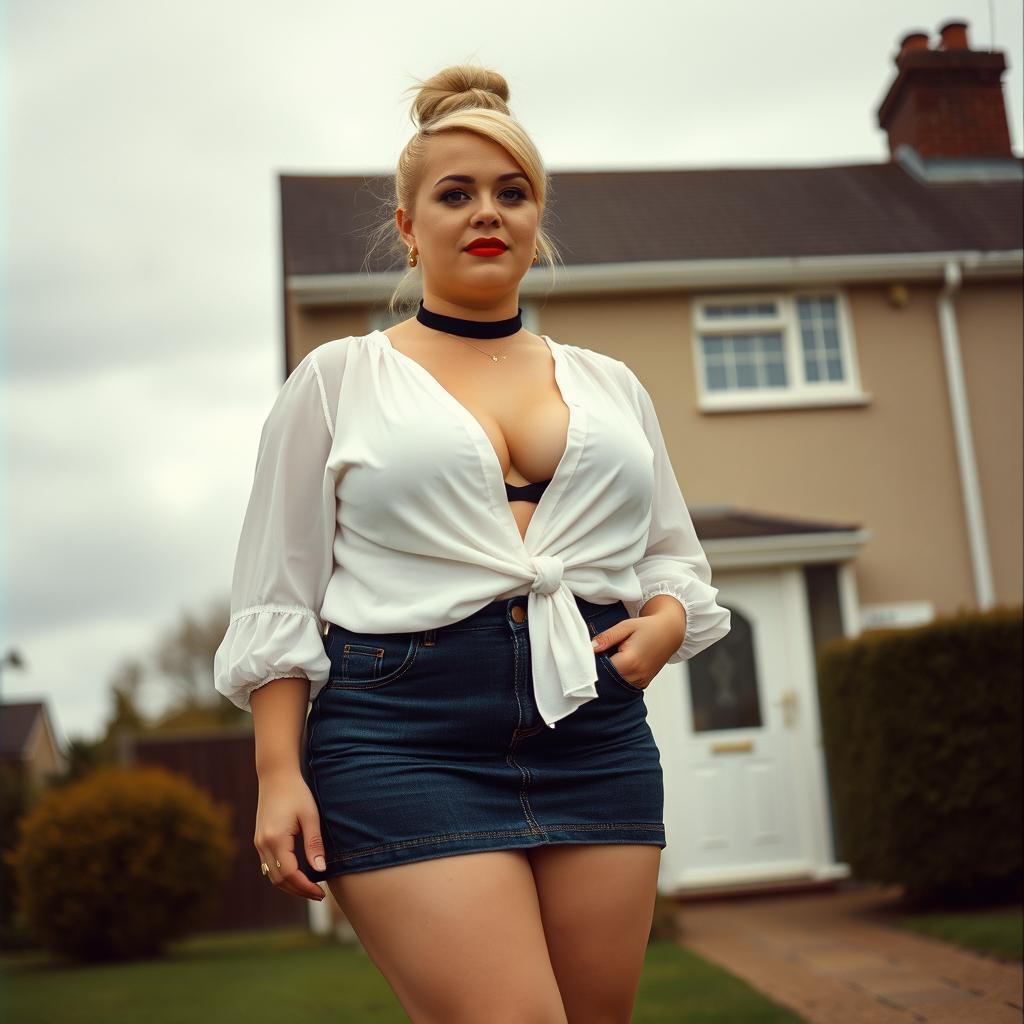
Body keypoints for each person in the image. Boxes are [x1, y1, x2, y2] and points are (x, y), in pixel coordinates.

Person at [213, 63, 731, 1024]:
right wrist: (277, 773)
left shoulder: (611, 384)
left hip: (595, 728)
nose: (486, 212)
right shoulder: (335, 381)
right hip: (401, 736)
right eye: (455, 194)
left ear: (537, 220)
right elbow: (278, 594)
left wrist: (663, 623)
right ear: (408, 227)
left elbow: (672, 558)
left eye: (512, 192)